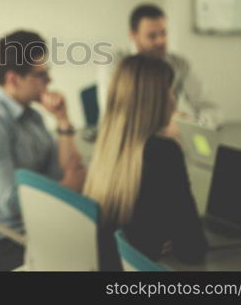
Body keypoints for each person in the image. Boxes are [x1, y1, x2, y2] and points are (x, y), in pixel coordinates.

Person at [0, 30, 86, 271]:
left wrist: (63, 120)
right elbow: (11, 204)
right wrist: (68, 188)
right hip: (8, 239)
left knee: (103, 238)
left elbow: (62, 169)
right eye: (41, 75)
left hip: (41, 222)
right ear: (14, 79)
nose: (49, 81)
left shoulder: (32, 116)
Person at [84, 54, 207, 271]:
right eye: (170, 91)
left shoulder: (108, 145)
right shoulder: (164, 152)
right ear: (154, 99)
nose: (174, 99)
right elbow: (192, 248)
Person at [97, 4, 220, 131]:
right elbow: (113, 113)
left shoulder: (178, 64)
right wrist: (166, 122)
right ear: (133, 35)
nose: (160, 41)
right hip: (126, 138)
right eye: (152, 36)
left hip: (165, 137)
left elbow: (210, 109)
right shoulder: (117, 64)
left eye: (163, 33)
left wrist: (193, 124)